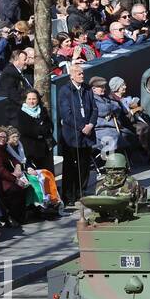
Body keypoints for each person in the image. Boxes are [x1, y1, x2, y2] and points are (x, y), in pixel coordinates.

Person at [57, 62, 97, 205]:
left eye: (82, 73)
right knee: (70, 166)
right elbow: (66, 114)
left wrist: (91, 124)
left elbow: (94, 108)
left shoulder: (87, 89)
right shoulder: (65, 91)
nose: (82, 75)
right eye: (79, 73)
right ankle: (69, 195)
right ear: (71, 75)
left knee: (85, 164)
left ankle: (82, 191)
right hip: (72, 135)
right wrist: (81, 127)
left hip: (87, 133)